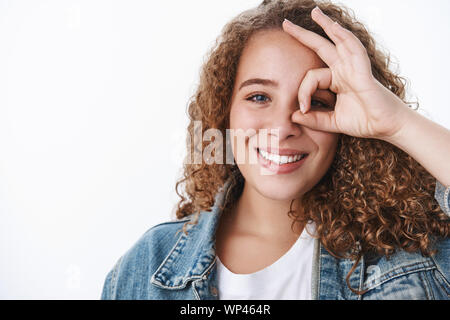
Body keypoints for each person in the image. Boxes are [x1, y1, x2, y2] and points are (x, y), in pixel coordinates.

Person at [101, 0, 450, 300]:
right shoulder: (149, 265)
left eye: (315, 101)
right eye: (259, 97)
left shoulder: (409, 253)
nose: (283, 127)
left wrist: (396, 123)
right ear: (225, 112)